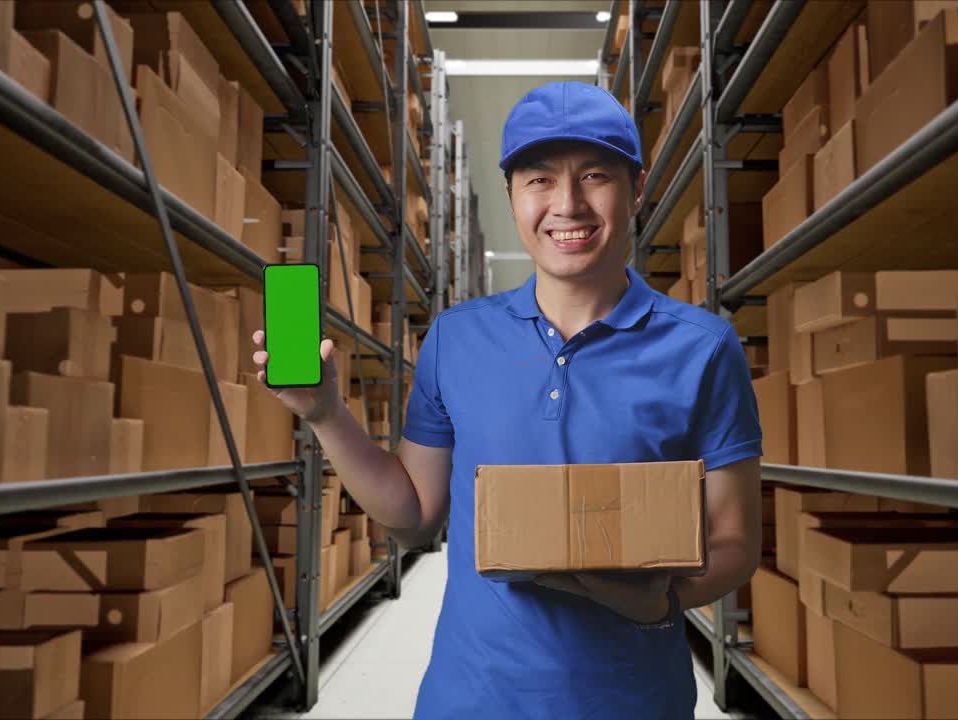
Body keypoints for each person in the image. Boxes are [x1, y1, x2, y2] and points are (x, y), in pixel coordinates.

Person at [253, 80, 763, 720]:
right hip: (472, 697)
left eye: (596, 175)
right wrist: (325, 414)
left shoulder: (704, 348)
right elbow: (413, 517)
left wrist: (662, 600)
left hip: (632, 701)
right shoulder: (456, 338)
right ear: (512, 196)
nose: (567, 204)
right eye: (539, 180)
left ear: (635, 191)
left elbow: (736, 540)